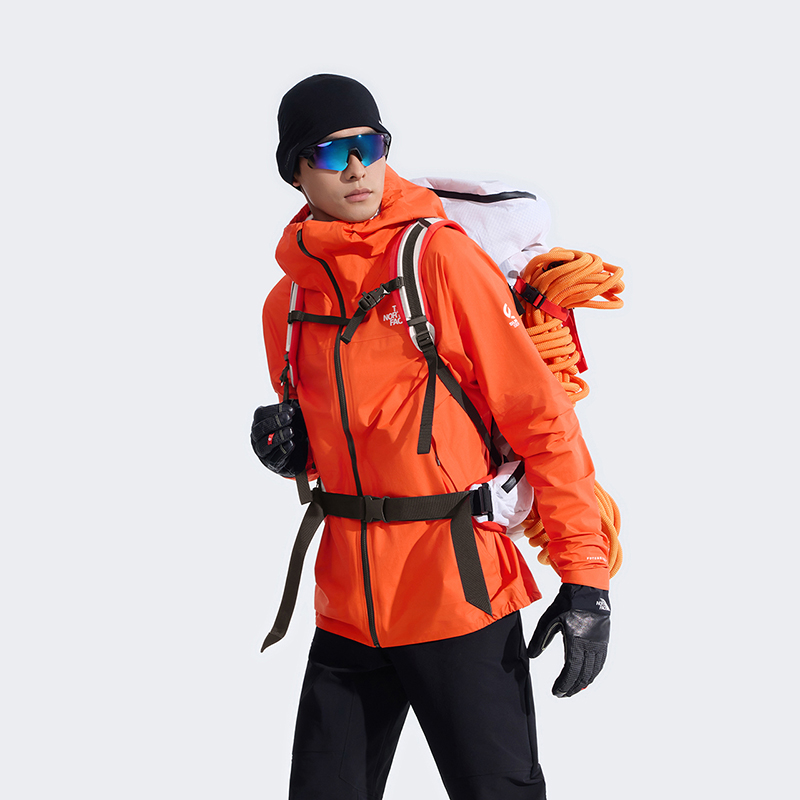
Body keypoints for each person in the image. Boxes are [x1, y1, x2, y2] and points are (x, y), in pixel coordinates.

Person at [251, 73, 612, 800]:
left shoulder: (439, 262)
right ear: (295, 170)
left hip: (457, 594)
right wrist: (288, 451)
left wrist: (586, 580)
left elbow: (541, 419)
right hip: (348, 606)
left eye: (370, 145)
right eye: (333, 152)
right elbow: (348, 443)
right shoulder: (286, 304)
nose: (357, 167)